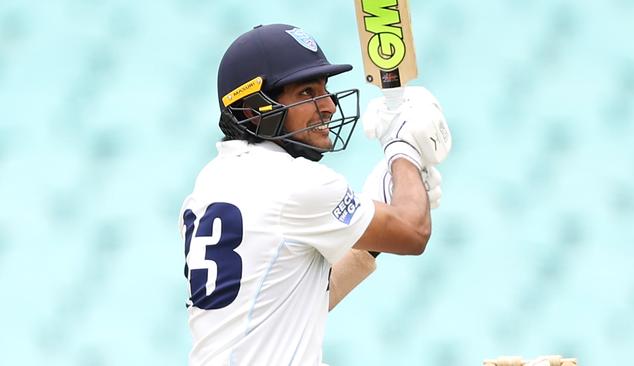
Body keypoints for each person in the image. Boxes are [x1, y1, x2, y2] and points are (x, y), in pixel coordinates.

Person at [179, 23, 450, 365]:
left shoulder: (209, 184)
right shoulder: (295, 183)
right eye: (306, 93)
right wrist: (403, 151)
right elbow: (413, 232)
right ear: (252, 110)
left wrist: (374, 222)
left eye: (324, 90)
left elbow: (293, 305)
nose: (328, 107)